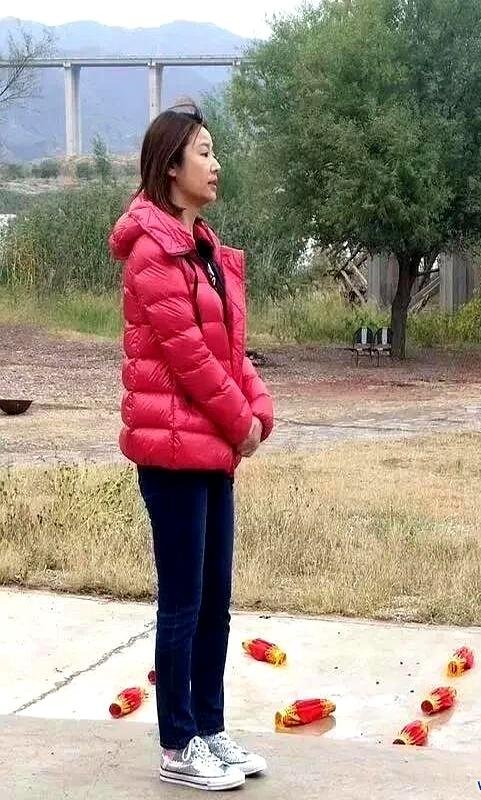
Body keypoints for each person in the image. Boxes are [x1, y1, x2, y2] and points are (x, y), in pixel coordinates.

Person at [109, 101, 274, 792]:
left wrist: (259, 408)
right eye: (204, 152)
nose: (216, 164)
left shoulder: (205, 250)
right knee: (182, 603)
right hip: (171, 454)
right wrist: (240, 421)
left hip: (212, 452)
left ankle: (209, 728)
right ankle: (178, 744)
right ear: (171, 166)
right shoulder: (153, 251)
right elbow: (189, 359)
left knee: (215, 603)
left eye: (213, 151)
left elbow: (229, 352)